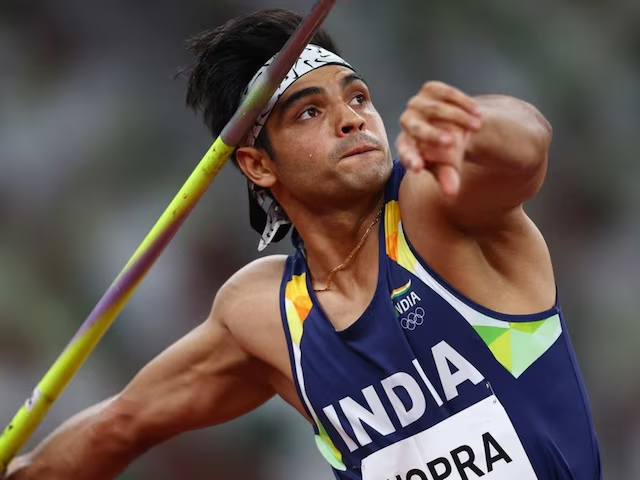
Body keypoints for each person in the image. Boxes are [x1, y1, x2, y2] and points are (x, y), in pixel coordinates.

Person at [5, 8, 602, 480]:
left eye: (358, 97)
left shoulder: (433, 212)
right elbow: (121, 424)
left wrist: (472, 125)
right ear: (258, 165)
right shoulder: (265, 314)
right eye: (310, 113)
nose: (352, 119)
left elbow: (526, 150)